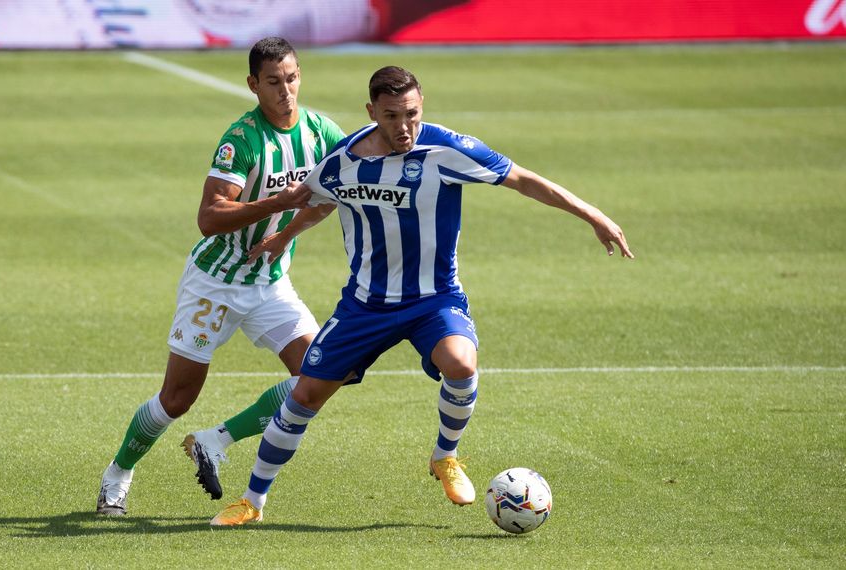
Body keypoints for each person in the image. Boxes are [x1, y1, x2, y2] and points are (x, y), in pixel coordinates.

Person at [210, 65, 634, 526]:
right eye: (392, 116)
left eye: (411, 114)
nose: (404, 126)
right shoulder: (342, 159)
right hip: (365, 304)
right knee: (305, 396)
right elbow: (319, 204)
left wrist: (592, 214)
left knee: (462, 363)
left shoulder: (446, 149)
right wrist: (281, 237)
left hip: (434, 299)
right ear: (372, 112)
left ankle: (444, 456)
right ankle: (253, 501)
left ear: (421, 107)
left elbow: (523, 179)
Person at [96, 37, 345, 516]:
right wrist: (277, 203)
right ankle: (117, 475)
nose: (285, 91)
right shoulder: (243, 139)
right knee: (177, 398)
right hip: (215, 282)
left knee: (324, 373)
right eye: (273, 82)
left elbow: (344, 184)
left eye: (291, 78)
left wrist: (286, 233)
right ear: (253, 84)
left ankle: (216, 440)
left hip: (270, 282)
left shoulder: (321, 132)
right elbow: (210, 217)